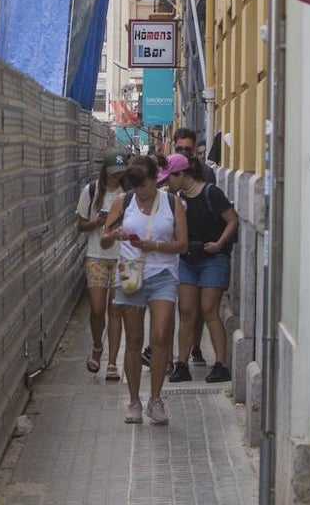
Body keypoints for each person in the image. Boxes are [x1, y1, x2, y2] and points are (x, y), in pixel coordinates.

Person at [102, 155, 188, 425]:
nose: (140, 191)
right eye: (135, 186)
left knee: (161, 333)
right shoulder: (123, 202)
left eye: (145, 185)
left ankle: (156, 399)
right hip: (131, 275)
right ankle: (134, 401)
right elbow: (105, 240)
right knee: (135, 339)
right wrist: (112, 236)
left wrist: (157, 247)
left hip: (163, 274)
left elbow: (183, 245)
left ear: (155, 179)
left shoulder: (172, 203)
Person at [167, 155, 239, 383]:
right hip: (188, 259)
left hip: (213, 259)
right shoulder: (177, 198)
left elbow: (232, 220)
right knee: (186, 311)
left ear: (181, 174)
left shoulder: (211, 193)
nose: (168, 182)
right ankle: (182, 363)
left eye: (170, 177)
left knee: (209, 310)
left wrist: (219, 243)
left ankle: (221, 364)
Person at [75, 151, 130, 381]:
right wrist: (96, 222)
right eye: (113, 172)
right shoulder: (90, 191)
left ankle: (112, 362)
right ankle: (98, 345)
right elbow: (80, 226)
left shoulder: (128, 194)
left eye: (121, 173)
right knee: (97, 308)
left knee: (116, 309)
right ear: (105, 170)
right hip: (96, 255)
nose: (117, 177)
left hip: (123, 258)